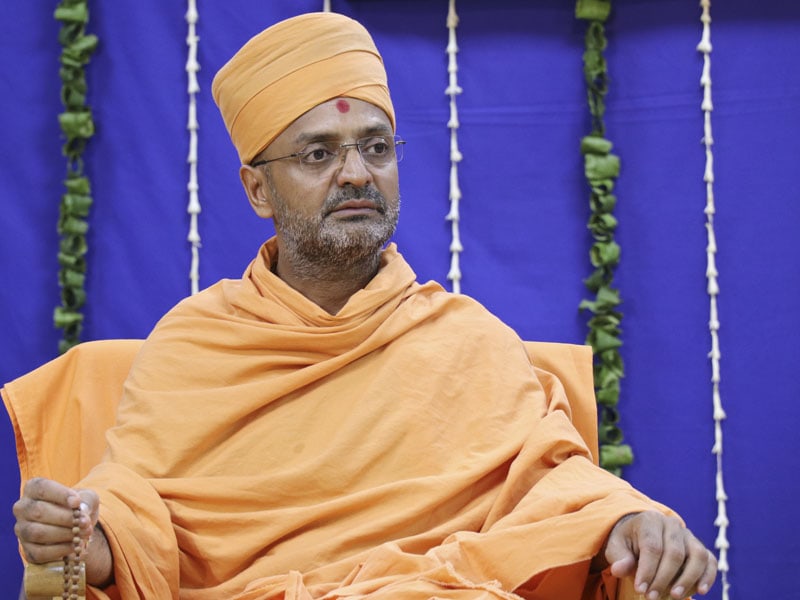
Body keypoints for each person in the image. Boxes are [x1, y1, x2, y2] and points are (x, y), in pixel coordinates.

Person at [11, 12, 717, 600]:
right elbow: (133, 506)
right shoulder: (195, 343)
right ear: (257, 191)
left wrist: (627, 520)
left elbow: (552, 482)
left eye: (376, 148)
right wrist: (88, 539)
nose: (356, 174)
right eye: (318, 155)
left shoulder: (467, 339)